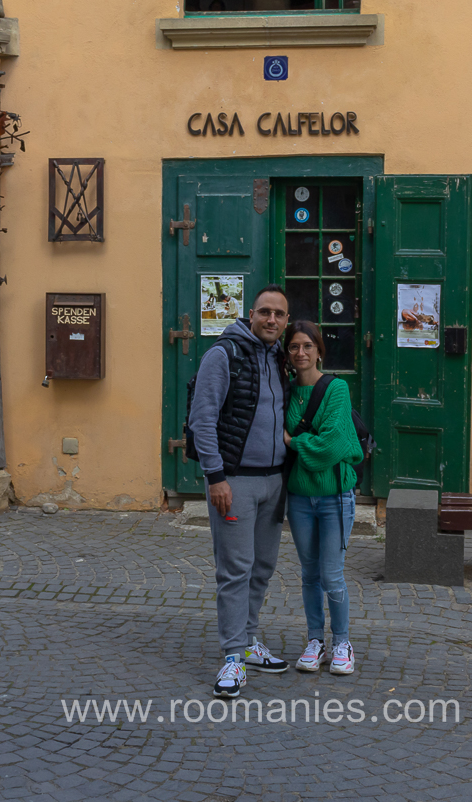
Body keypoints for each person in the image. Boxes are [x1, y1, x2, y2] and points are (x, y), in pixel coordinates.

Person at [188, 284, 293, 698]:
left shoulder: (279, 358)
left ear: (286, 321)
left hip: (274, 481)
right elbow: (203, 418)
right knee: (235, 571)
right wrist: (215, 477)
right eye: (265, 312)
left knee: (262, 567)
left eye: (279, 314)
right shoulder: (223, 354)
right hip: (235, 482)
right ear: (251, 314)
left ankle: (249, 643)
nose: (271, 320)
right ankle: (232, 659)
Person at [282, 320, 364, 676]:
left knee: (332, 575)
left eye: (307, 346)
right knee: (309, 574)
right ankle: (315, 641)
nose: (301, 353)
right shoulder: (284, 392)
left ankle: (342, 642)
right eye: (294, 347)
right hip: (300, 497)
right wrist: (302, 445)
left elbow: (332, 445)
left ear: (319, 350)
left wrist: (292, 442)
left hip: (334, 497)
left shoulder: (336, 388)